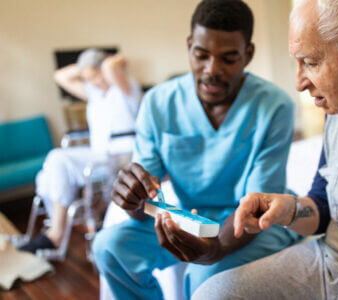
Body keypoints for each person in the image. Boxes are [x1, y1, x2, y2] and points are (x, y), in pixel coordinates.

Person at [92, 0, 302, 299]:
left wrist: (214, 250)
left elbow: (258, 207)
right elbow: (146, 205)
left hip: (259, 222)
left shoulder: (274, 107)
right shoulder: (158, 104)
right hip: (196, 219)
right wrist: (132, 200)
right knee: (110, 247)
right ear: (190, 46)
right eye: (201, 55)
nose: (211, 70)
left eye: (229, 58)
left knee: (206, 276)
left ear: (248, 55)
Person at [191, 0, 338, 299]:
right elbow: (323, 204)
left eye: (311, 62)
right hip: (327, 262)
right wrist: (286, 209)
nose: (299, 82)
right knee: (210, 294)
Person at [19, 49, 142, 254]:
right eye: (87, 79)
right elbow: (60, 76)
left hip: (120, 157)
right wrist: (86, 68)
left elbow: (111, 66)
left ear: (103, 69)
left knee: (57, 159)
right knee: (50, 169)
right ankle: (56, 232)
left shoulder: (125, 89)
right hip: (98, 155)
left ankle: (55, 233)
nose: (91, 82)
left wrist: (108, 62)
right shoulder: (93, 94)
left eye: (94, 76)